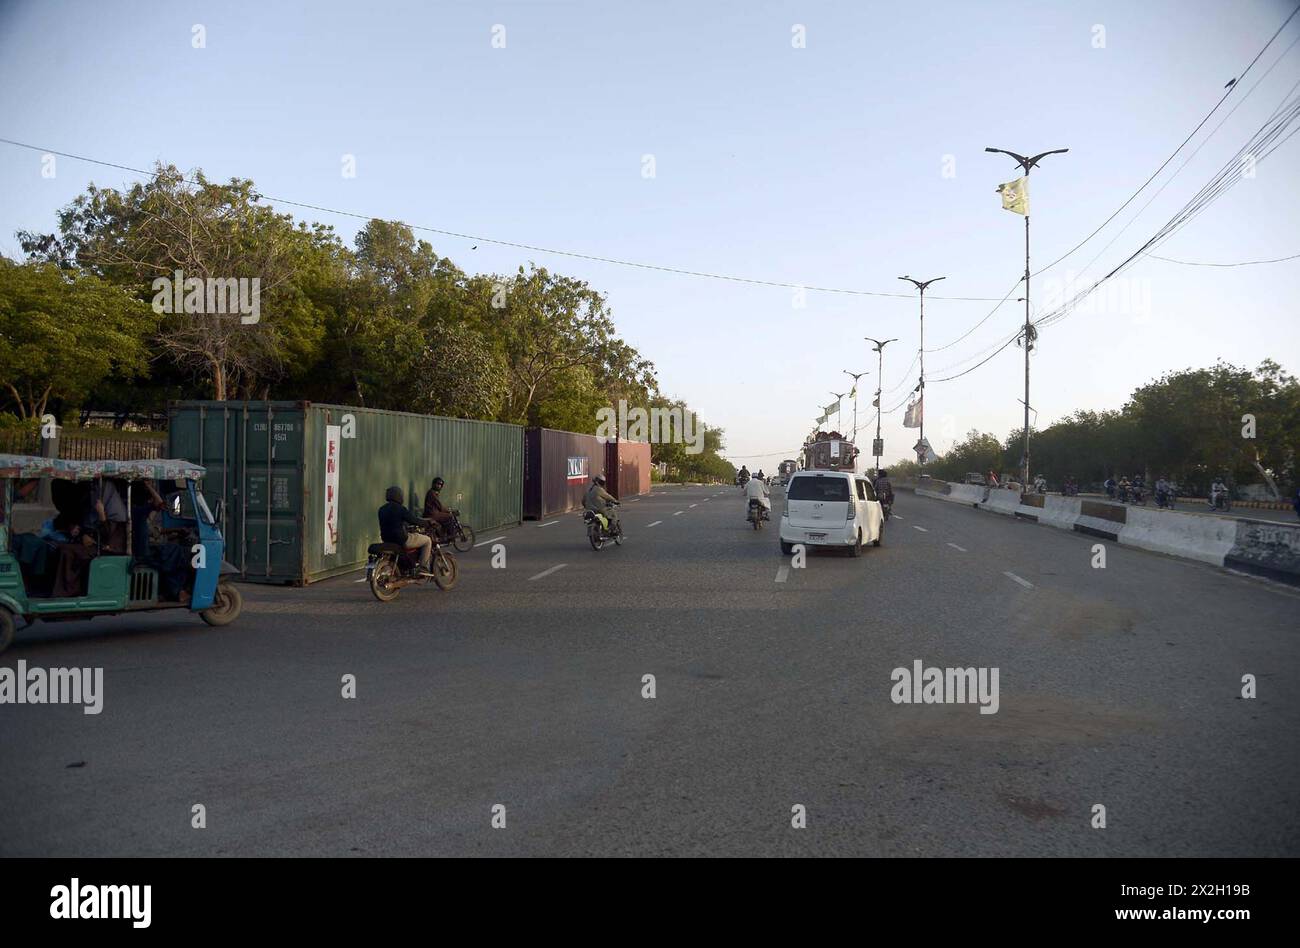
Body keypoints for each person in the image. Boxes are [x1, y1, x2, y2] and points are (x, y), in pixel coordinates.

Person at [377, 486, 432, 573]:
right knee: (427, 540)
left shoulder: (381, 509)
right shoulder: (400, 509)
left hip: (387, 539)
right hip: (401, 540)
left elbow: (392, 521)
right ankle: (423, 568)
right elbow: (413, 520)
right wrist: (427, 523)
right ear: (398, 496)